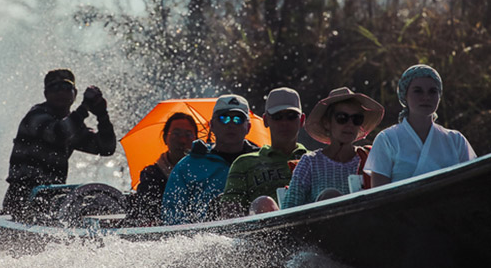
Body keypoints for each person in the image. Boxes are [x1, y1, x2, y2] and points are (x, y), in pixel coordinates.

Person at [2, 69, 116, 217]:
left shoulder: (73, 126)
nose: (61, 93)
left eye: (66, 87)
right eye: (54, 88)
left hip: (51, 200)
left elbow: (106, 148)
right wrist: (84, 108)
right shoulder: (35, 117)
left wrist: (102, 115)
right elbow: (59, 133)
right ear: (46, 94)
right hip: (21, 197)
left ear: (74, 93)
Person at [365, 64, 476, 186]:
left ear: (439, 96)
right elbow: (379, 194)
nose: (426, 97)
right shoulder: (387, 139)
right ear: (404, 95)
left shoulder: (456, 140)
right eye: (418, 91)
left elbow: (472, 184)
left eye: (433, 91)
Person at [162, 94, 259, 225]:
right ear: (212, 125)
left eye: (238, 119)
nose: (230, 124)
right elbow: (172, 213)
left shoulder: (262, 161)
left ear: (248, 127)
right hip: (207, 236)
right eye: (223, 118)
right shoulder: (188, 166)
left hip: (257, 231)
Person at [282, 87, 384, 209]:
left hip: (365, 225)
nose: (350, 125)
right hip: (320, 226)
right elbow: (289, 208)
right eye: (342, 118)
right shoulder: (310, 162)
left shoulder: (369, 159)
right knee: (330, 196)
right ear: (327, 123)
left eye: (356, 119)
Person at [220, 87, 309, 216]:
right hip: (264, 232)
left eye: (291, 116)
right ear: (266, 120)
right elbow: (230, 214)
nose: (284, 123)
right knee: (263, 203)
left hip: (314, 225)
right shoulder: (244, 163)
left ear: (301, 120)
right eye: (278, 117)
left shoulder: (316, 159)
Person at [129, 112, 198, 225]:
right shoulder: (152, 175)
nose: (182, 140)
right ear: (165, 138)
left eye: (188, 134)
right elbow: (147, 211)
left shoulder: (205, 171)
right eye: (176, 134)